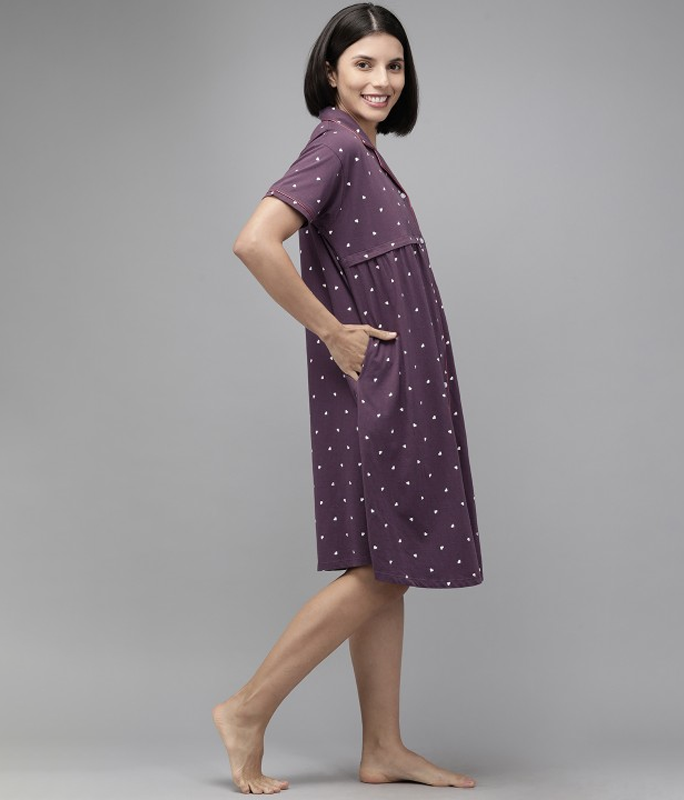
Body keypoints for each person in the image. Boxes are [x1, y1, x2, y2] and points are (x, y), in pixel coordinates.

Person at [212, 3, 484, 794]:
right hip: (379, 384)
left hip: (401, 379)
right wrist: (334, 333)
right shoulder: (334, 145)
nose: (382, 80)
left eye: (394, 65)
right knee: (387, 569)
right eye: (364, 64)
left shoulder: (364, 152)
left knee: (384, 565)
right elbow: (255, 242)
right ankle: (247, 710)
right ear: (331, 72)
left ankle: (383, 748)